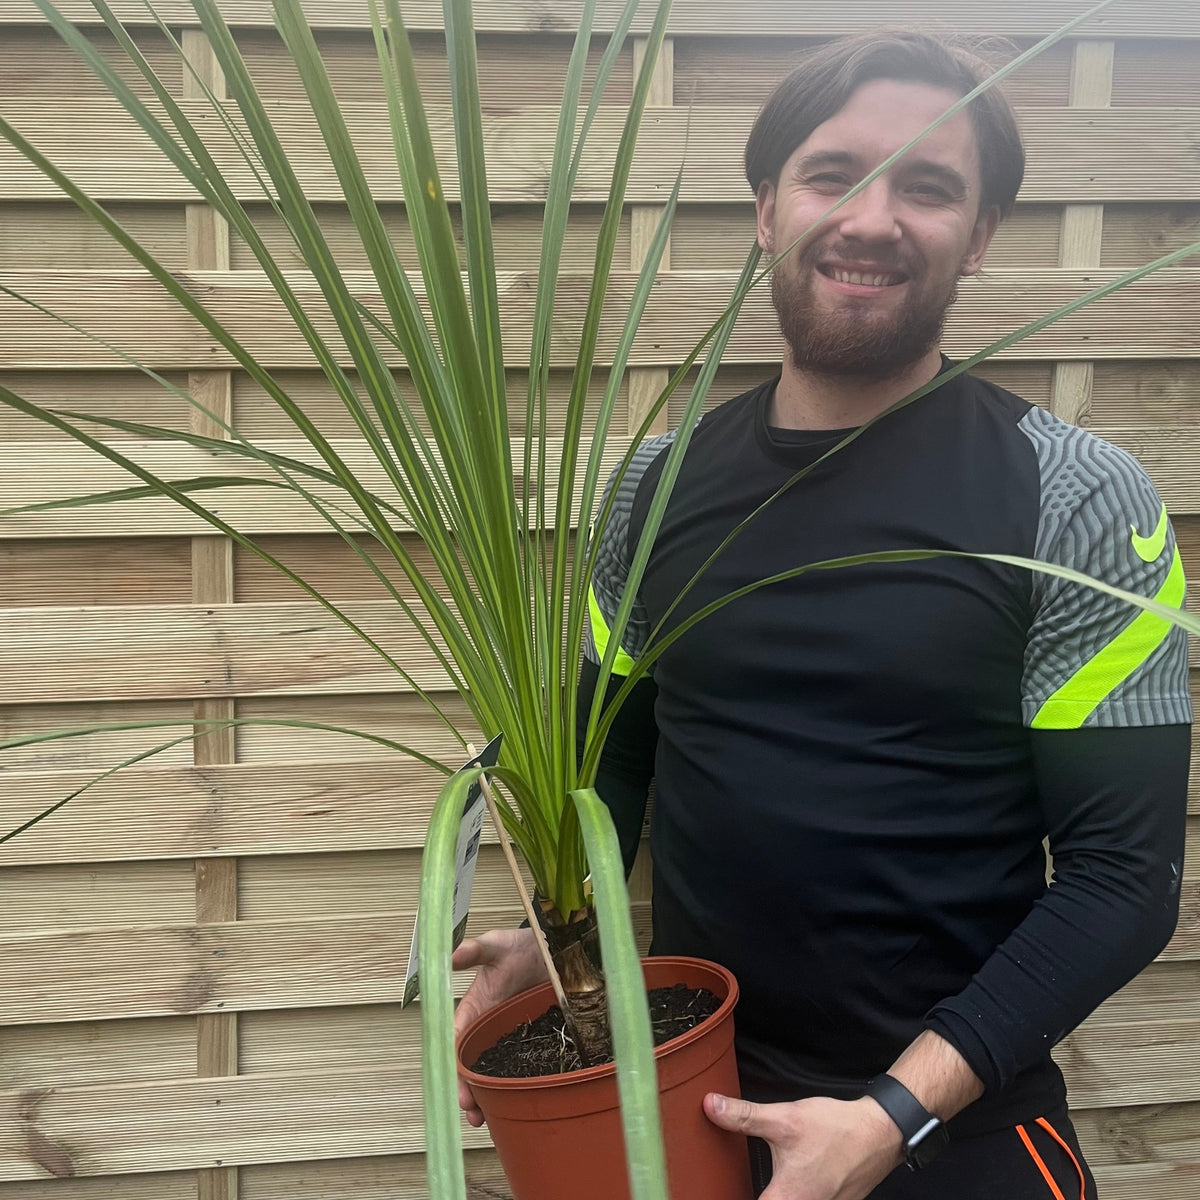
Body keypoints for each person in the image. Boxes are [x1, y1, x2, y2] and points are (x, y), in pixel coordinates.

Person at [453, 30, 1191, 1200]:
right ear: (767, 208)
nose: (871, 217)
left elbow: (1122, 881)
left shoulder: (1077, 498)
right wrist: (552, 949)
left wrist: (890, 1116)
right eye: (832, 173)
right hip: (691, 1114)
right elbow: (614, 766)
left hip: (961, 1132)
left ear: (982, 236)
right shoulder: (655, 490)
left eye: (929, 185)